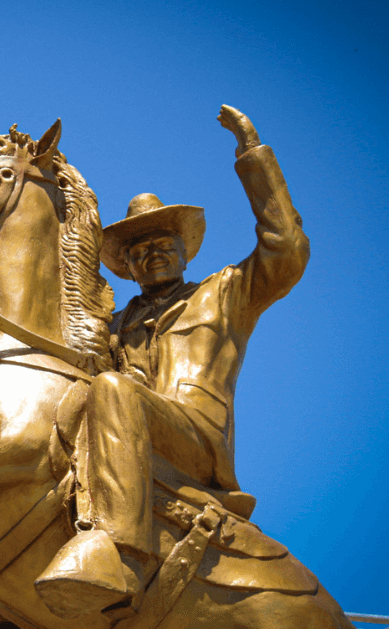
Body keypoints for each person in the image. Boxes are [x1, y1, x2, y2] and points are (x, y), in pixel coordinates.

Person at [33, 105, 311, 618]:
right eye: (138, 251)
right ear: (129, 268)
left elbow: (285, 248)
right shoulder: (117, 325)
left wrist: (252, 155)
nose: (151, 254)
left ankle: (121, 552)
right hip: (130, 435)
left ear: (185, 251)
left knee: (112, 391)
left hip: (195, 439)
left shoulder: (224, 293)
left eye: (163, 244)